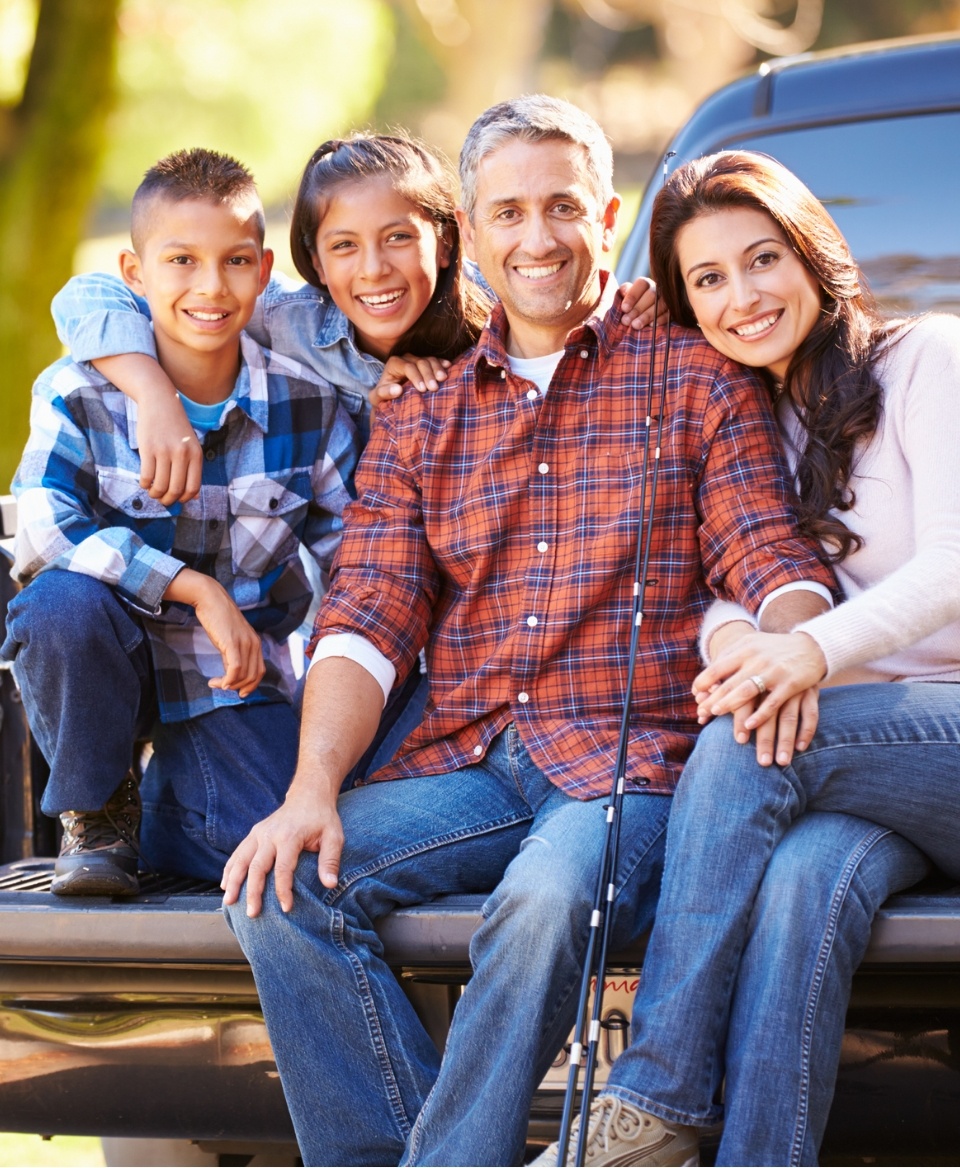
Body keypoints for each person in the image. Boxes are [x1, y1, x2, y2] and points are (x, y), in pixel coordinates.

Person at [218, 99, 836, 1167]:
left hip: (629, 768)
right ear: (473, 229)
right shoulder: (423, 414)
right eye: (509, 211)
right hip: (472, 762)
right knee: (276, 891)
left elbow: (769, 554)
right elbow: (366, 614)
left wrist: (798, 643)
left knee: (541, 902)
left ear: (606, 215)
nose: (538, 237)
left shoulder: (693, 379)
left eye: (562, 207)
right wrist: (312, 791)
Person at [541, 150, 960, 1167]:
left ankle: (658, 1091)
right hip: (857, 769)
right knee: (805, 882)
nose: (743, 296)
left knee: (738, 744)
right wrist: (742, 645)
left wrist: (804, 653)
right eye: (708, 279)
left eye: (762, 258)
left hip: (941, 735)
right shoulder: (746, 419)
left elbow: (954, 563)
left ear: (813, 254)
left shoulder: (927, 360)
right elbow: (728, 583)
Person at [1, 148, 360, 894]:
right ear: (135, 275)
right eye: (181, 261)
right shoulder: (79, 391)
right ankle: (98, 810)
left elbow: (354, 552)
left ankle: (167, 812)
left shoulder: (306, 402)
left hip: (231, 675)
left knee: (271, 846)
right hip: (109, 656)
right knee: (59, 604)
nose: (209, 286)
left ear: (264, 272)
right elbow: (41, 526)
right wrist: (194, 588)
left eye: (233, 261)